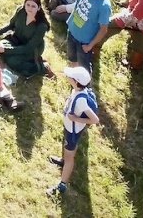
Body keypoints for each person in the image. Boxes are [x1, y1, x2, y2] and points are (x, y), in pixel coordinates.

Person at [47, 65, 99, 196]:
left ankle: (62, 184)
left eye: (71, 77)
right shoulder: (78, 90)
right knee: (69, 149)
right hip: (70, 128)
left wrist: (75, 118)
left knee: (70, 155)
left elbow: (95, 120)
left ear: (76, 81)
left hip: (73, 131)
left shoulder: (81, 100)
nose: (68, 77)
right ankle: (64, 161)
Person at [0, 0, 50, 78]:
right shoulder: (21, 11)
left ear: (39, 8)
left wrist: (5, 50)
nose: (29, 8)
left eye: (33, 6)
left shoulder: (41, 26)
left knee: (12, 61)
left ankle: (41, 67)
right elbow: (11, 25)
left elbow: (28, 48)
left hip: (31, 50)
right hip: (16, 40)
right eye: (28, 5)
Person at [63, 0, 112, 68]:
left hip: (84, 43)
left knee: (84, 68)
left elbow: (103, 30)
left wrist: (90, 46)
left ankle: (83, 83)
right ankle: (74, 79)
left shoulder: (104, 6)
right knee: (72, 58)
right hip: (72, 32)